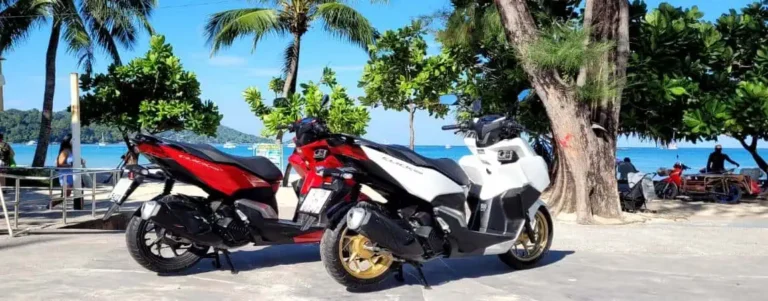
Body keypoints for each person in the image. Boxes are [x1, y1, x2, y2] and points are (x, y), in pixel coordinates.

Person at [50, 134, 85, 209]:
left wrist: (81, 161)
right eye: (73, 141)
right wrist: (71, 165)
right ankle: (51, 204)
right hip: (66, 175)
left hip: (74, 175)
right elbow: (60, 164)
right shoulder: (65, 151)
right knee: (66, 194)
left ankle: (81, 208)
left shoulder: (73, 151)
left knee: (80, 190)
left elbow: (77, 160)